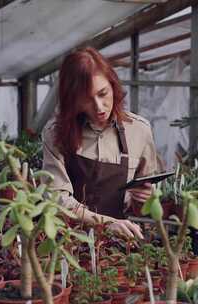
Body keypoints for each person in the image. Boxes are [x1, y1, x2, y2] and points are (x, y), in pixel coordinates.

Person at [42, 47, 160, 240]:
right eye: (87, 100)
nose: (98, 106)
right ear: (72, 100)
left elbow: (144, 205)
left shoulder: (139, 131)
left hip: (121, 244)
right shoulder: (56, 134)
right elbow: (57, 200)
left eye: (103, 93)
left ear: (113, 85)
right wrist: (106, 223)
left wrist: (144, 199)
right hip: (69, 242)